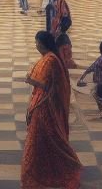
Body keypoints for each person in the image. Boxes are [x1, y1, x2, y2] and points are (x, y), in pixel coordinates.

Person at [21, 30, 82, 189]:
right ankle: (42, 167)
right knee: (42, 139)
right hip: (42, 104)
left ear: (45, 44)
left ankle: (64, 165)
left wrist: (31, 80)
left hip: (46, 107)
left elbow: (50, 86)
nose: (36, 47)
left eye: (38, 44)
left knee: (48, 138)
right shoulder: (49, 58)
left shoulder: (51, 61)